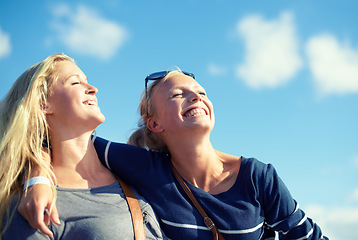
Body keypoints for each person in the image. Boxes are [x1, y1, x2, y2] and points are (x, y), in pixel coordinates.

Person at [19, 70, 329, 239]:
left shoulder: (258, 177)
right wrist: (37, 176)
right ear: (154, 123)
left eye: (201, 92)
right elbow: (67, 140)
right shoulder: (147, 170)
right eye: (178, 94)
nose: (196, 95)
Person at [0, 54, 166, 240]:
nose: (93, 89)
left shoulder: (131, 171)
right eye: (75, 83)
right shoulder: (34, 205)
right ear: (43, 104)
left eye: (87, 81)